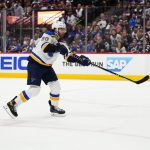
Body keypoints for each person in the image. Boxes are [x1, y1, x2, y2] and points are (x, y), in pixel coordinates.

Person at [3, 21, 91, 118]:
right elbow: (45, 47)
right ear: (55, 29)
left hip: (47, 67)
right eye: (61, 29)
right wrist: (58, 48)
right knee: (35, 90)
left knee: (56, 86)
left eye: (63, 29)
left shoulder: (62, 43)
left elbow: (68, 56)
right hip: (35, 64)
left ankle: (54, 107)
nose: (63, 31)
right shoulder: (48, 35)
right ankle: (12, 104)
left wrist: (80, 60)